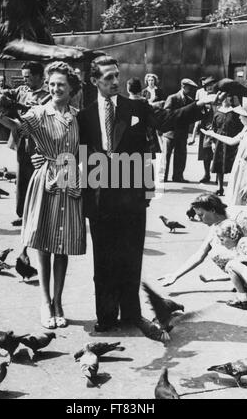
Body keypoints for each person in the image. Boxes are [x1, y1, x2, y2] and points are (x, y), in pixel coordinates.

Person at [77, 55, 209, 332]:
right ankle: (106, 316)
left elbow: (167, 120)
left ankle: (132, 315)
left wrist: (199, 106)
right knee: (103, 261)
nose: (116, 81)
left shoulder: (136, 106)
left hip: (132, 196)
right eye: (108, 77)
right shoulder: (84, 116)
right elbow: (71, 151)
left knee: (131, 257)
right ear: (94, 81)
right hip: (100, 198)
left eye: (117, 75)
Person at [0, 62, 86, 329]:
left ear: (71, 88)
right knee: (45, 245)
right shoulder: (39, 113)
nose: (55, 88)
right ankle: (45, 302)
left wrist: (81, 173)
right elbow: (17, 127)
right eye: (52, 84)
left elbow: (85, 148)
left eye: (61, 84)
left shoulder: (77, 116)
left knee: (64, 245)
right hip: (46, 180)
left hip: (69, 180)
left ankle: (59, 302)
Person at [160, 193, 247, 294]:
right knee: (216, 252)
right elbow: (200, 254)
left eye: (201, 215)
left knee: (234, 252)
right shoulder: (217, 226)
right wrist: (175, 275)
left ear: (212, 210)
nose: (199, 219)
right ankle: (245, 282)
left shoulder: (239, 216)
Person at [9, 61, 49, 227]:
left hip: (39, 145)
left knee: (38, 179)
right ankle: (23, 214)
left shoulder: (48, 95)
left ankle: (38, 215)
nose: (24, 80)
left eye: (28, 77)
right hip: (21, 142)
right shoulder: (21, 91)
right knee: (22, 179)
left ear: (40, 77)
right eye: (23, 77)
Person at [202, 97, 247, 212]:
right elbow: (232, 140)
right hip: (239, 169)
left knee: (246, 203)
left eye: (241, 115)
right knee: (235, 200)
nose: (239, 117)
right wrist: (213, 134)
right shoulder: (246, 130)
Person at [213, 219, 247, 310]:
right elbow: (235, 274)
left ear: (232, 236)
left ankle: (243, 300)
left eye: (222, 239)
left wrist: (239, 259)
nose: (221, 243)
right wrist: (212, 278)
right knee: (232, 265)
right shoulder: (241, 244)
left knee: (230, 264)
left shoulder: (244, 242)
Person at [162, 78, 199, 182]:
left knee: (181, 156)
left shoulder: (190, 100)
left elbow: (191, 116)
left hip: (182, 133)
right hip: (170, 132)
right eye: (189, 88)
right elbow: (167, 114)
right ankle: (163, 177)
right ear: (183, 87)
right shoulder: (172, 98)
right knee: (166, 156)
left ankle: (178, 176)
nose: (191, 90)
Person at [211, 93, 243, 196]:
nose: (225, 99)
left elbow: (240, 129)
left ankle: (233, 189)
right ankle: (220, 188)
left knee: (233, 165)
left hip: (232, 142)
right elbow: (214, 128)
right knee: (219, 165)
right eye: (223, 97)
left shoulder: (235, 113)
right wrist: (213, 142)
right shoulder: (217, 112)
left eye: (228, 97)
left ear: (231, 98)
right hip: (220, 142)